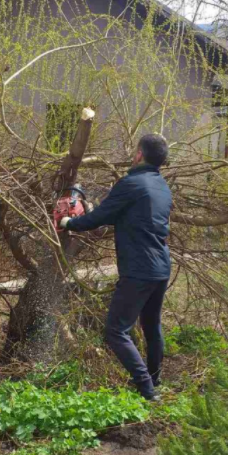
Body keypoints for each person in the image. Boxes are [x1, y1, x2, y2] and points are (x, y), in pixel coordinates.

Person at [60, 134, 172, 401]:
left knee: (115, 330)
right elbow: (126, 213)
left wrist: (68, 223)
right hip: (161, 267)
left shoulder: (131, 183)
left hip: (138, 269)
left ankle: (146, 388)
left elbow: (99, 217)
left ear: (139, 155)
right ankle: (154, 381)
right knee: (152, 325)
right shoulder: (162, 187)